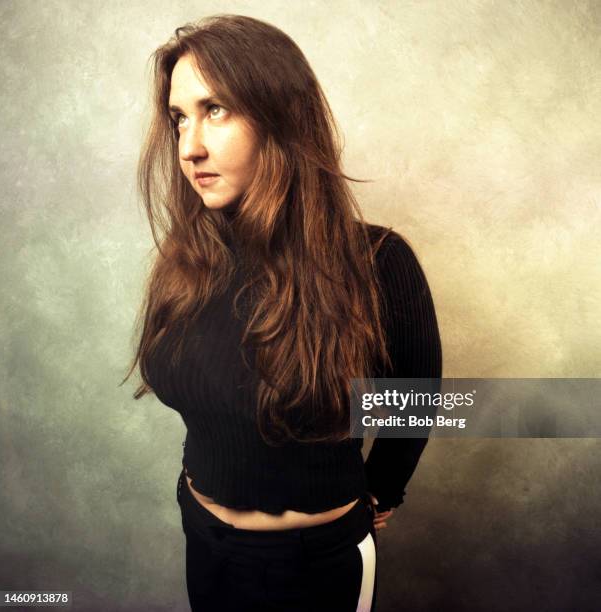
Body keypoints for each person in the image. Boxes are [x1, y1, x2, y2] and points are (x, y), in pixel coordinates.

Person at [122, 13, 442, 612]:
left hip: (318, 564)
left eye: (215, 109)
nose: (190, 146)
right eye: (178, 118)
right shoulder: (187, 261)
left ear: (279, 116)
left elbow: (419, 403)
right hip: (205, 539)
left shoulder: (378, 259)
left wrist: (380, 492)